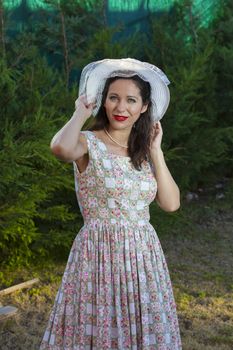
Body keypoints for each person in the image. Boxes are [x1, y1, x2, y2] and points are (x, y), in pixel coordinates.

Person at [40, 58, 182, 349]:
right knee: (99, 328)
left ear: (143, 107)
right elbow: (59, 148)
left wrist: (156, 152)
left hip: (143, 257)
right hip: (98, 254)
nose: (121, 108)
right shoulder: (87, 142)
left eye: (131, 100)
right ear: (103, 101)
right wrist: (80, 113)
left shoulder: (143, 152)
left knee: (141, 326)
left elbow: (170, 204)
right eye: (113, 98)